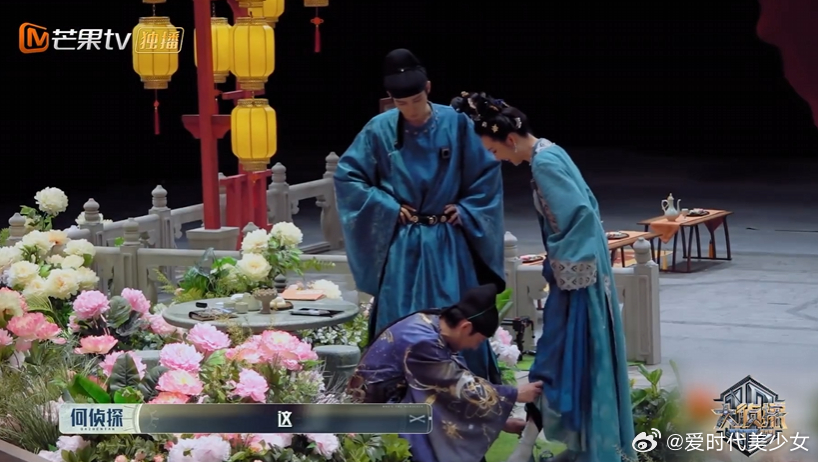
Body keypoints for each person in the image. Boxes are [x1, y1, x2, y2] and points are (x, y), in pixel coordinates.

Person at [452, 92, 635, 462]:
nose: (495, 158)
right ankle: (542, 444)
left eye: (493, 150)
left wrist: (563, 270)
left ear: (510, 139)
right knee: (562, 359)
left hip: (577, 282)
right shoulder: (550, 151)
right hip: (578, 276)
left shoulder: (545, 163)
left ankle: (533, 447)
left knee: (554, 358)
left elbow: (581, 215)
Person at [334, 49, 506, 382]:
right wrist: (386, 206)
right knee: (400, 317)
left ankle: (467, 394)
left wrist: (466, 209)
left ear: (428, 88)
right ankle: (395, 391)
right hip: (405, 244)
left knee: (454, 315)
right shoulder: (379, 129)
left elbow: (486, 173)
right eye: (402, 103)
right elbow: (348, 177)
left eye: (417, 100)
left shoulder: (456, 123)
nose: (411, 109)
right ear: (390, 98)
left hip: (447, 242)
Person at [349, 284, 543, 462]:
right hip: (372, 416)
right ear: (465, 327)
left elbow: (449, 386)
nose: (475, 347)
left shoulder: (430, 321)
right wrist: (515, 394)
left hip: (395, 402)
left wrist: (501, 422)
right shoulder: (422, 342)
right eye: (479, 340)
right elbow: (456, 385)